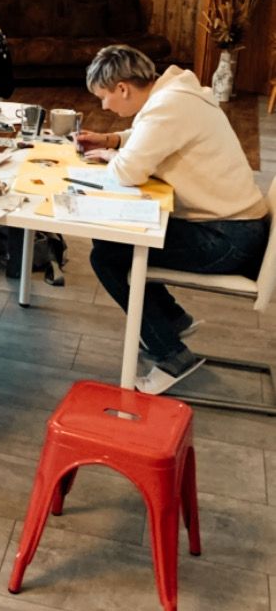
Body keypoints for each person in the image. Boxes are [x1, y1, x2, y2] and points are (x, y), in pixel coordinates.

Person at [78, 45, 270, 394]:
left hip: (227, 239)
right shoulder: (177, 92)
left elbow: (128, 172)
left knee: (106, 257)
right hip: (238, 226)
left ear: (122, 88)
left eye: (104, 96)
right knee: (114, 243)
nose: (104, 106)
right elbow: (150, 134)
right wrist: (113, 140)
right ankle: (172, 320)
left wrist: (113, 156)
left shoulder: (168, 106)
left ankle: (172, 355)